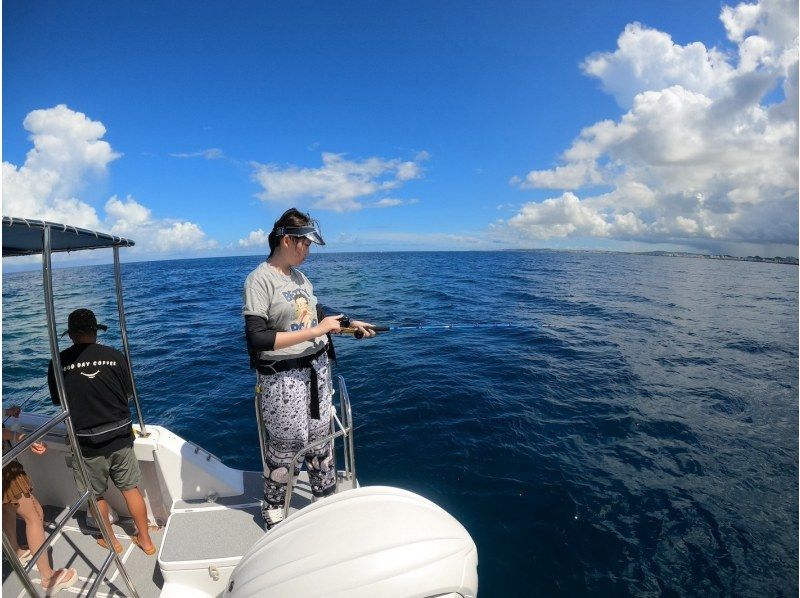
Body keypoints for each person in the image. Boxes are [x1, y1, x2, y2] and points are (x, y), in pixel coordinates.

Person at [243, 208, 375, 529]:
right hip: (284, 379)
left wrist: (347, 323)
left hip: (316, 370)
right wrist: (317, 330)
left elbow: (317, 311)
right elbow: (257, 338)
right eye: (305, 244)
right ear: (287, 240)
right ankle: (274, 507)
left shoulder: (300, 277)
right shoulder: (260, 279)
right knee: (287, 444)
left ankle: (323, 496)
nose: (308, 250)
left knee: (320, 437)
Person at [48, 309, 156, 556]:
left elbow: (58, 401)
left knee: (95, 495)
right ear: (95, 331)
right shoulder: (115, 356)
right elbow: (128, 393)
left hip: (85, 444)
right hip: (120, 437)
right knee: (131, 490)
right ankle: (146, 541)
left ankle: (111, 541)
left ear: (72, 335)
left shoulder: (58, 362)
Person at [3, 407, 78, 594]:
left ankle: (15, 551)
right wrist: (20, 437)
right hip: (4, 470)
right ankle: (48, 578)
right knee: (35, 515)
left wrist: (5, 412)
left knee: (7, 508)